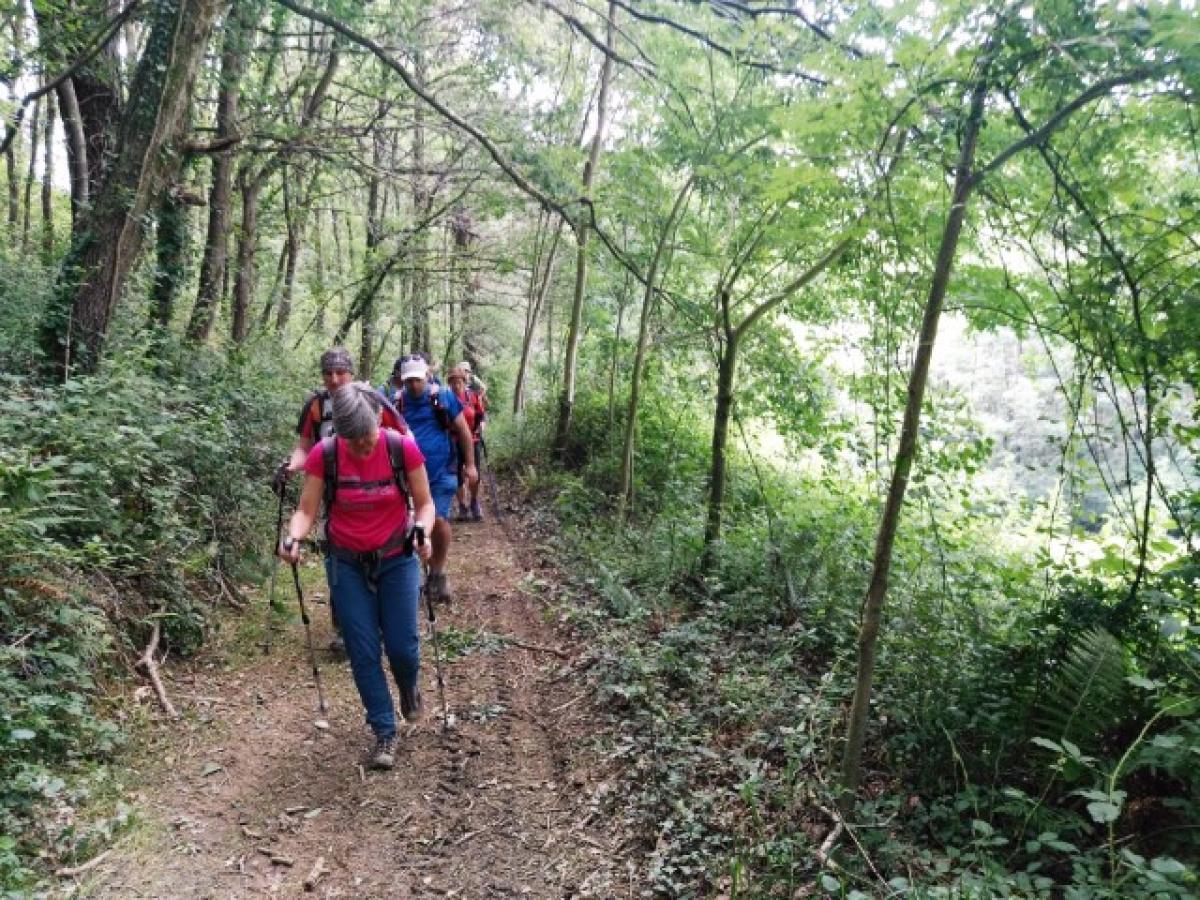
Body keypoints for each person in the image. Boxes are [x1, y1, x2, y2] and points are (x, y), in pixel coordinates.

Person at [278, 383, 435, 770]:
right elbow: (306, 510)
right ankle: (384, 732)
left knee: (402, 647)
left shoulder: (402, 447)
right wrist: (293, 536)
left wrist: (423, 530)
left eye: (366, 438)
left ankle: (408, 686)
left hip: (397, 557)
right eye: (354, 441)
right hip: (346, 562)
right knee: (363, 652)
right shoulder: (326, 454)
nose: (363, 447)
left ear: (378, 422)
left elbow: (426, 504)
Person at [273, 347, 405, 653]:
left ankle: (382, 618)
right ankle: (346, 627)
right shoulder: (316, 405)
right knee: (337, 547)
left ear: (352, 373)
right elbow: (304, 447)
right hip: (331, 485)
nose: (334, 379)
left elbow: (402, 435)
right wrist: (291, 467)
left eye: (340, 372)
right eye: (328, 373)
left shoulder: (374, 399)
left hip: (377, 484)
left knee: (380, 548)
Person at [386, 353, 477, 603]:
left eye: (417, 379)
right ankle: (414, 574)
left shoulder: (443, 397)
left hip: (442, 471)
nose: (414, 385)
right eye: (408, 381)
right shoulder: (397, 402)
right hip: (407, 474)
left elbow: (464, 432)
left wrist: (470, 465)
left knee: (437, 519)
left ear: (426, 375)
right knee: (408, 523)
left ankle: (438, 572)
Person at [447, 364, 486, 521]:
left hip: (473, 440)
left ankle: (474, 502)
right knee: (457, 475)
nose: (456, 385)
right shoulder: (445, 398)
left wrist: (481, 427)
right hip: (453, 441)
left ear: (464, 382)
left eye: (459, 382)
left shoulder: (473, 397)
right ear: (449, 383)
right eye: (453, 382)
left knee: (474, 473)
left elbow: (481, 416)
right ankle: (462, 505)